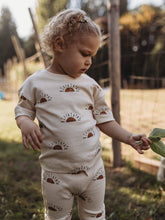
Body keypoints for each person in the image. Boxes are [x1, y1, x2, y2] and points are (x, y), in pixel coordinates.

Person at [15, 9, 151, 220]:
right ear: (59, 45)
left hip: (93, 172)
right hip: (55, 175)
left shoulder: (91, 86)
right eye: (85, 54)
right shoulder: (35, 83)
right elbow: (22, 110)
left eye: (92, 56)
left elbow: (105, 120)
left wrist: (128, 137)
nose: (89, 62)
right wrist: (25, 122)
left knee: (95, 216)